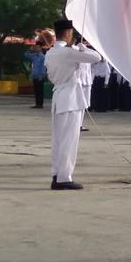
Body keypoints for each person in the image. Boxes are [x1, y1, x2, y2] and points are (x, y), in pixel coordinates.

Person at [44, 19, 102, 191]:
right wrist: (82, 47)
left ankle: (57, 174)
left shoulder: (51, 53)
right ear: (68, 34)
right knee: (69, 140)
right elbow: (96, 57)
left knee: (58, 140)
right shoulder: (68, 52)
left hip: (59, 96)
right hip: (70, 98)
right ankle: (64, 177)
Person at [25, 41, 47, 109]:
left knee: (40, 91)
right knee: (36, 90)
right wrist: (30, 50)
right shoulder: (34, 56)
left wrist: (41, 76)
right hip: (35, 75)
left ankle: (40, 104)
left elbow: (43, 67)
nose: (36, 48)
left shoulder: (42, 57)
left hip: (40, 76)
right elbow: (26, 55)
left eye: (37, 47)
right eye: (35, 47)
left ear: (40, 48)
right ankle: (37, 103)